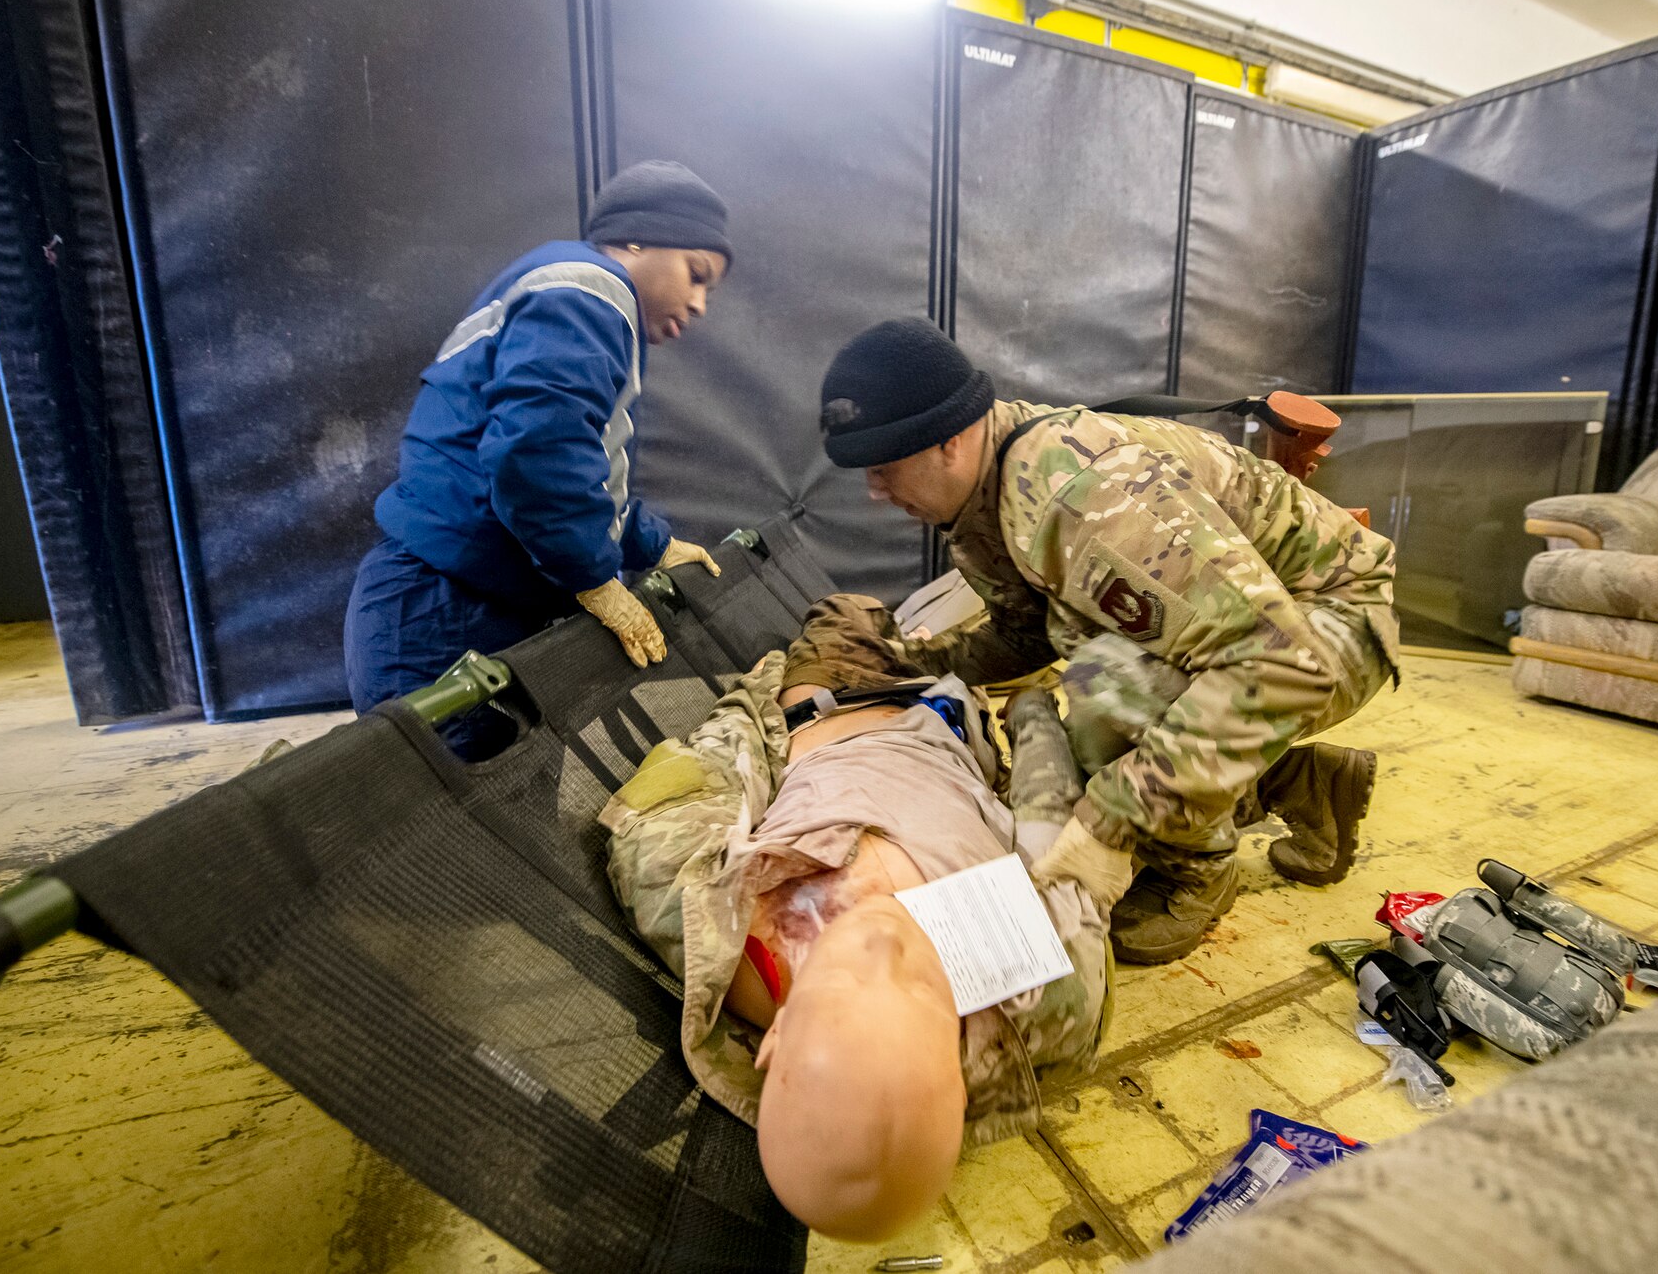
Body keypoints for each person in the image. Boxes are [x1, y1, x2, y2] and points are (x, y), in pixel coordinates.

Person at [816, 318, 1400, 964]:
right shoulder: (986, 499)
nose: (874, 490)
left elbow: (1282, 663)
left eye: (885, 466)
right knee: (1103, 681)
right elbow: (1025, 635)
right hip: (1250, 631)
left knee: (1105, 693)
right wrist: (909, 663)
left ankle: (1197, 871)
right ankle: (1303, 784)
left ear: (950, 441)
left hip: (1331, 617)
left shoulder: (1081, 495)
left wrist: (1109, 824)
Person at [601, 596, 1109, 1240]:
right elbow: (1053, 824)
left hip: (831, 698)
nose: (882, 939)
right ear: (962, 1074)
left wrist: (759, 698)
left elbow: (689, 783)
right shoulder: (1043, 996)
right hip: (955, 725)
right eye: (924, 989)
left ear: (775, 1041)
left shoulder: (714, 930)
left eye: (841, 983)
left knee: (849, 606)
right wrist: (1034, 713)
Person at [345, 161, 732, 753]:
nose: (702, 303)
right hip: (443, 615)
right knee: (457, 828)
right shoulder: (588, 292)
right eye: (696, 273)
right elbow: (537, 453)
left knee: (501, 806)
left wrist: (648, 543)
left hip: (461, 602)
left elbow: (583, 459)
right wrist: (593, 578)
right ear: (636, 237)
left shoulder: (577, 299)